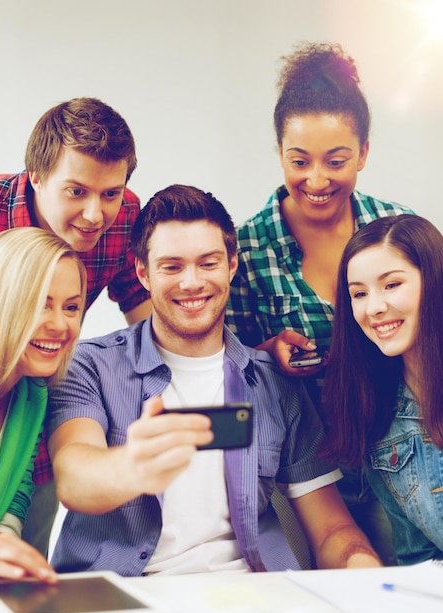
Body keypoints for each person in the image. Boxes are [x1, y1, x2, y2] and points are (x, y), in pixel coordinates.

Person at [47, 184, 381, 575]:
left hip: (252, 598)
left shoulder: (275, 383)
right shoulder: (89, 365)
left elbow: (331, 531)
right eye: (172, 266)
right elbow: (74, 478)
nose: (192, 282)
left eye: (208, 263)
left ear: (232, 266)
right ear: (143, 273)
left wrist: (363, 568)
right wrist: (132, 467)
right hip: (126, 598)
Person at [225, 42, 414, 564]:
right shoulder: (248, 248)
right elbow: (229, 372)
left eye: (337, 161)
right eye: (299, 160)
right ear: (279, 152)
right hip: (307, 470)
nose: (316, 180)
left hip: (399, 452)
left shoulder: (397, 230)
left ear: (364, 153)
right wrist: (268, 352)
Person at [0, 97, 151, 555]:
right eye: (77, 192)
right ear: (35, 175)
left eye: (110, 193)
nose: (95, 214)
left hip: (25, 425)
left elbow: (148, 317)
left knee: (13, 559)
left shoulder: (124, 218)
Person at [323, 214, 443, 566]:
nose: (373, 307)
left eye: (391, 285)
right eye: (359, 293)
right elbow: (419, 561)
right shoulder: (378, 420)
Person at [0, 227, 86, 581]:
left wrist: (3, 547)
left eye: (71, 307)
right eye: (40, 304)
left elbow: (14, 495)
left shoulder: (31, 396)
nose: (60, 325)